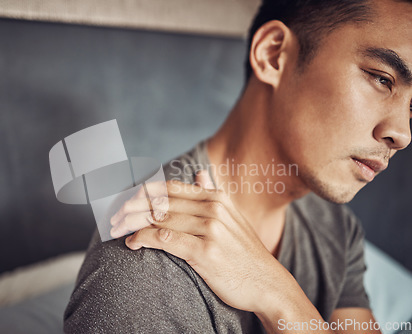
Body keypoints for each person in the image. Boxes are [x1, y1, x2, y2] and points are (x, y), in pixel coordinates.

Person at [64, 0, 412, 332]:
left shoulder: (336, 228)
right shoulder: (147, 263)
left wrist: (280, 296)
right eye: (382, 79)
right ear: (274, 55)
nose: (402, 134)